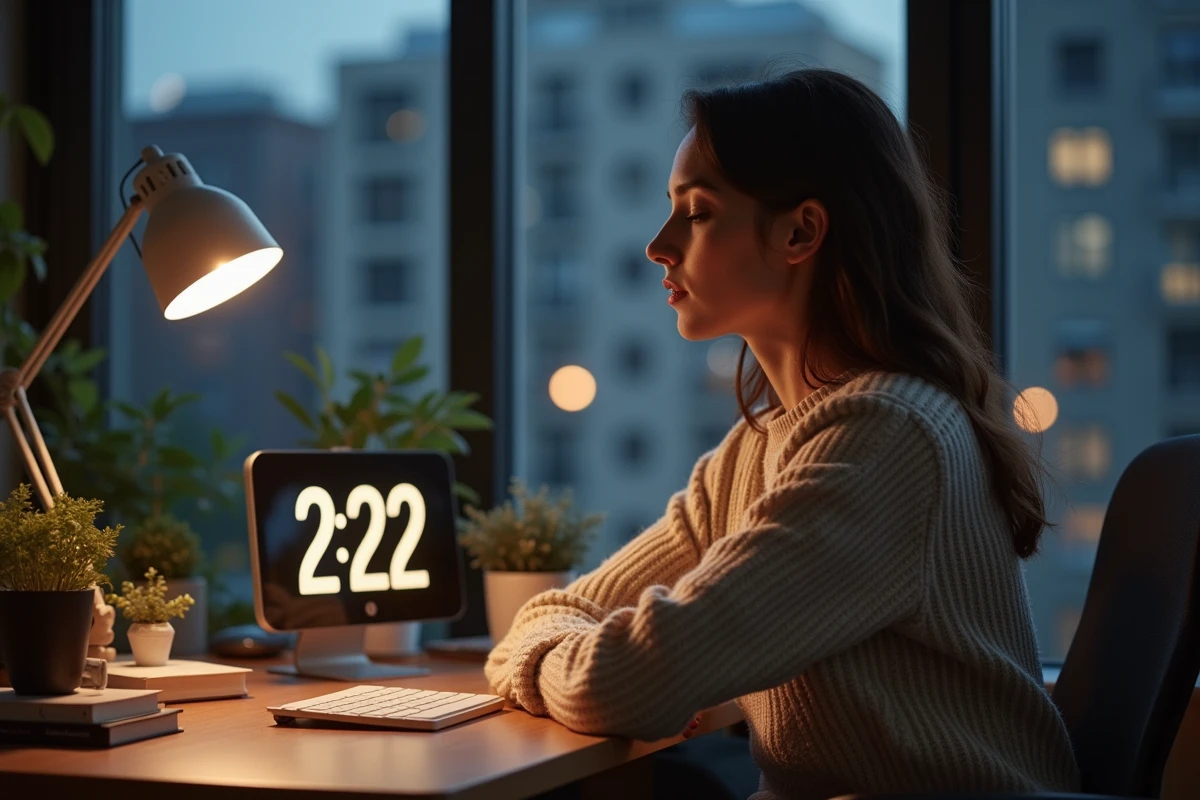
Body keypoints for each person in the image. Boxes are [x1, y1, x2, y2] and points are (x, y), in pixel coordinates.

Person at [485, 68, 1081, 800]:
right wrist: (573, 654)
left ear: (799, 231)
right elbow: (563, 611)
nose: (658, 246)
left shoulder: (885, 439)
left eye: (696, 213)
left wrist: (550, 662)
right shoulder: (754, 449)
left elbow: (628, 682)